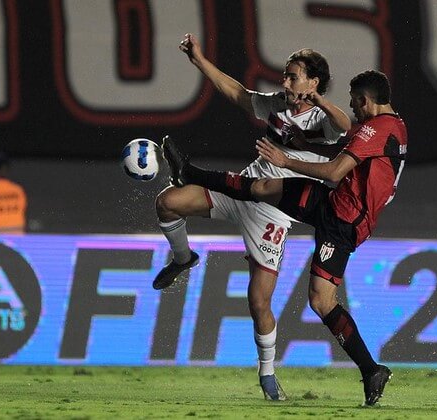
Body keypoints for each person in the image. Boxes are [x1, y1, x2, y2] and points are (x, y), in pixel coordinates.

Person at [161, 69, 406, 406]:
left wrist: (286, 159)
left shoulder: (378, 128)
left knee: (321, 301)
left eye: (354, 104)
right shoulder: (393, 125)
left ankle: (370, 369)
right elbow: (346, 148)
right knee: (262, 188)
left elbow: (335, 170)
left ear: (366, 101)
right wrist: (304, 142)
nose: (352, 111)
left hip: (344, 221)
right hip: (333, 203)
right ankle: (189, 172)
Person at [154, 34, 351, 401]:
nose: (285, 81)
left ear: (313, 82)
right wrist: (199, 60)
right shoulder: (277, 103)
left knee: (258, 302)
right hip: (243, 186)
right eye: (287, 75)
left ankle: (268, 375)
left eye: (293, 76)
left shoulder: (323, 117)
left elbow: (345, 126)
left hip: (275, 211)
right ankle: (183, 258)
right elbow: (238, 93)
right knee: (168, 202)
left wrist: (321, 100)